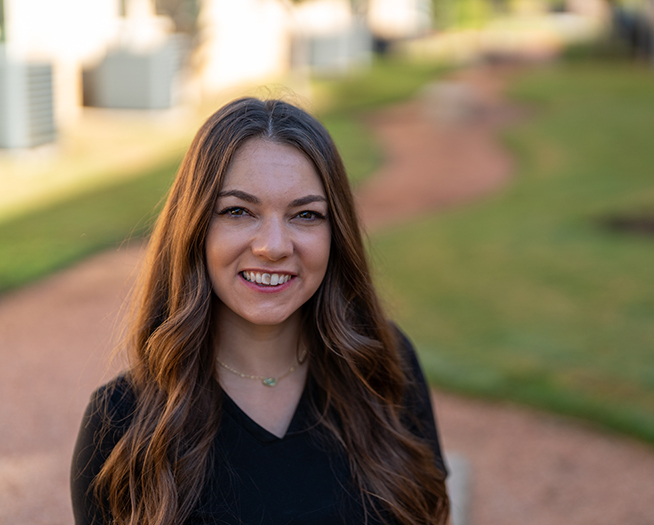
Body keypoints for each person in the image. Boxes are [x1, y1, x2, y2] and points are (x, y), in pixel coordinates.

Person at [71, 97, 450, 525]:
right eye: (238, 211)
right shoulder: (121, 421)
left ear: (335, 234)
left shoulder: (383, 366)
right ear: (195, 228)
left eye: (305, 214)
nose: (273, 246)